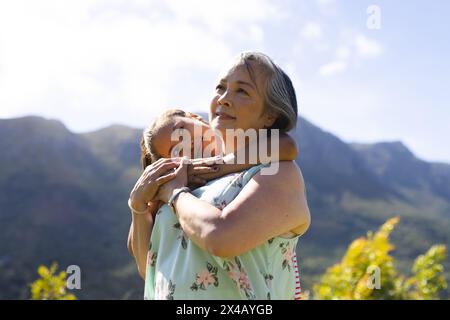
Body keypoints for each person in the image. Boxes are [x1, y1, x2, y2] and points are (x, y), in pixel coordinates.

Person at [128, 52, 310, 299]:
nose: (224, 99)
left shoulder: (277, 172)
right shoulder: (187, 179)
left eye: (242, 91)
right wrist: (138, 206)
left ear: (270, 116)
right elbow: (149, 266)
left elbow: (220, 237)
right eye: (220, 88)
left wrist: (176, 193)